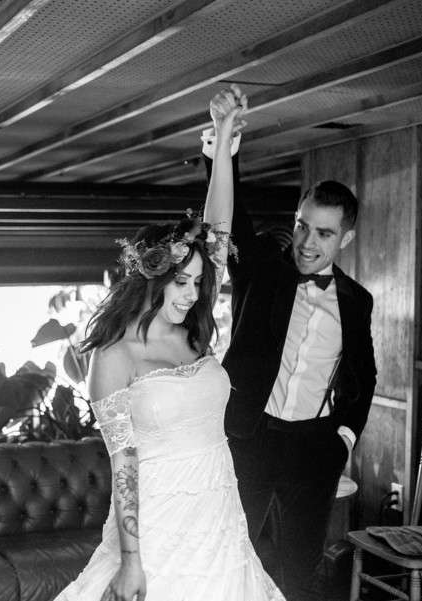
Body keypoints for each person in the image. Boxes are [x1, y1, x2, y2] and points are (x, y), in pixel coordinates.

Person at [55, 86, 283, 601]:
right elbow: (124, 465)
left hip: (218, 512)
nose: (193, 293)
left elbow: (218, 227)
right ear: (152, 278)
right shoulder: (114, 355)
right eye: (181, 282)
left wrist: (223, 133)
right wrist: (132, 562)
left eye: (199, 282)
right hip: (158, 523)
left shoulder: (191, 329)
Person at [202, 129, 377, 599]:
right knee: (227, 560)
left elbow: (364, 377)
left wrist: (343, 439)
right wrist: (223, 151)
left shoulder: (357, 301)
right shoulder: (260, 269)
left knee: (301, 573)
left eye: (324, 233)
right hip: (249, 439)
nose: (307, 242)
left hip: (314, 451)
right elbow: (232, 223)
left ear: (346, 237)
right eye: (302, 226)